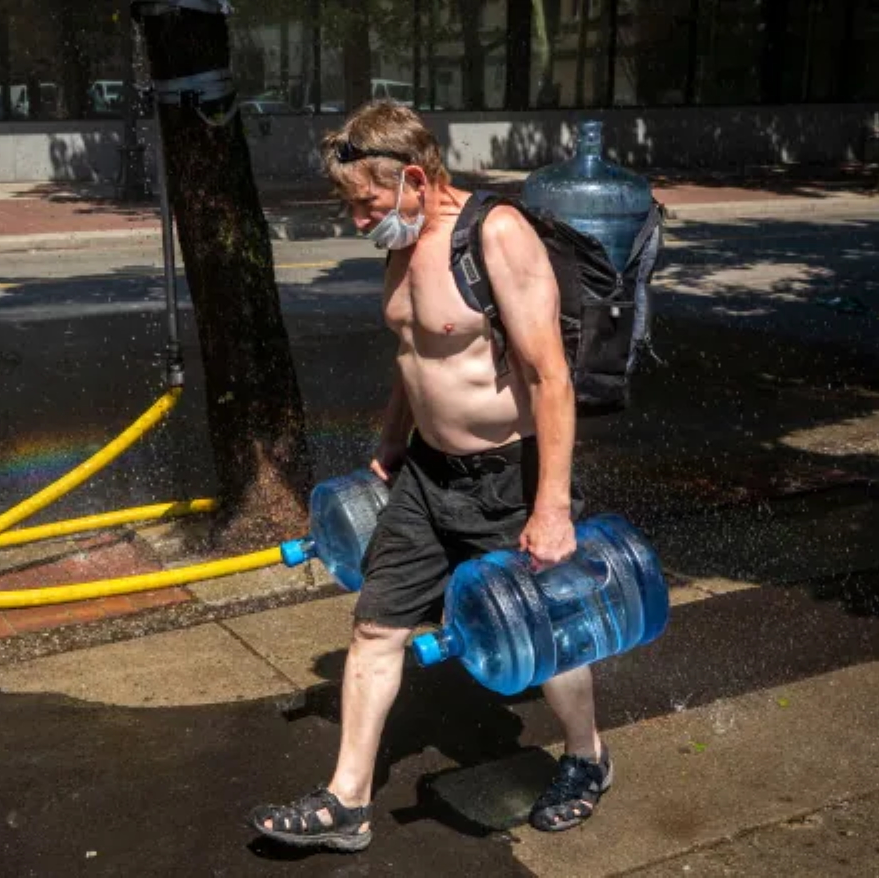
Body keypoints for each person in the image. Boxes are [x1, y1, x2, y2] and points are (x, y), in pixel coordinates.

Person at [248, 100, 610, 853]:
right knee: (376, 627)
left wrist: (551, 508)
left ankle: (585, 758)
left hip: (509, 477)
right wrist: (390, 444)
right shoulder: (403, 238)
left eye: (367, 202)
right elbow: (415, 358)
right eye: (351, 206)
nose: (359, 220)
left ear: (414, 177)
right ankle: (346, 802)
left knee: (547, 630)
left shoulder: (496, 235)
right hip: (425, 474)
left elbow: (551, 378)